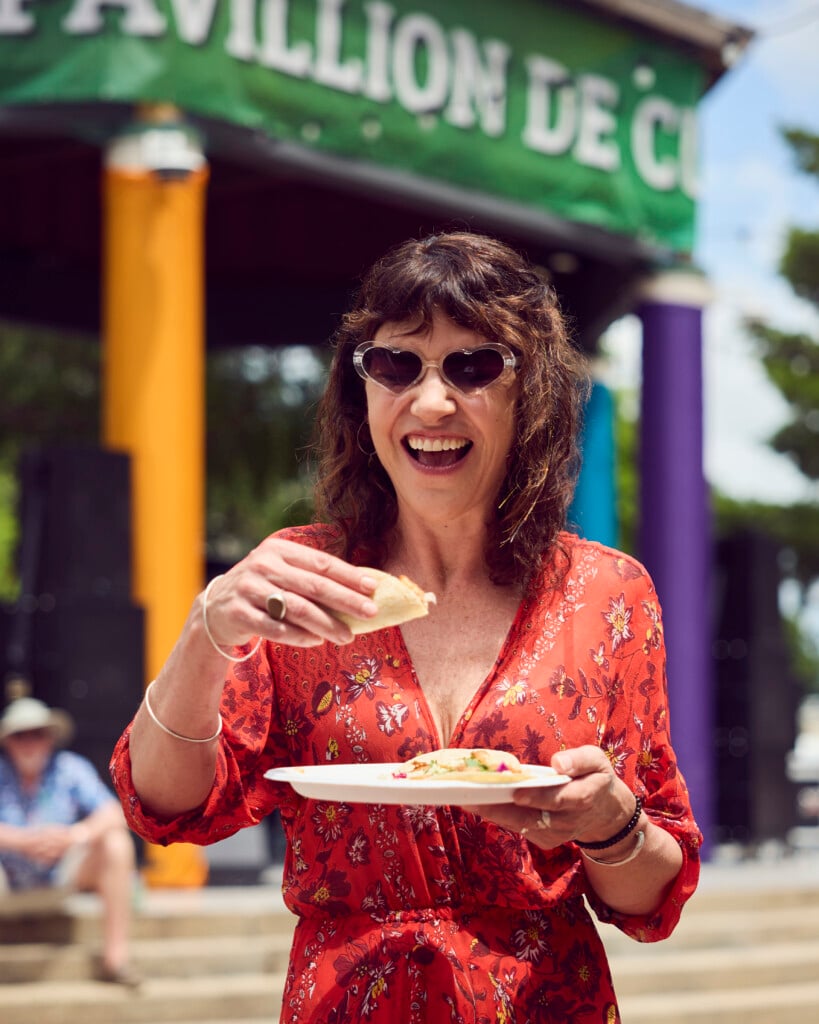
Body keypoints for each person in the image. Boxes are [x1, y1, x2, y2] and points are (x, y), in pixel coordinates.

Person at [110, 231, 702, 1022]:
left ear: (531, 394)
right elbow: (168, 806)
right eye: (396, 364)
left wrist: (609, 825)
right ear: (361, 390)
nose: (430, 402)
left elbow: (652, 898)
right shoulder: (301, 576)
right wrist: (206, 632)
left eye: (474, 365)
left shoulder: (607, 593)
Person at [0, 696, 140, 987]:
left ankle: (116, 959)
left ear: (50, 738)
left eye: (37, 734)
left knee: (115, 843)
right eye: (19, 735)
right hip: (6, 881)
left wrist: (74, 836)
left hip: (63, 876)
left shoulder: (70, 767)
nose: (29, 742)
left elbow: (113, 812)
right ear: (7, 741)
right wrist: (21, 842)